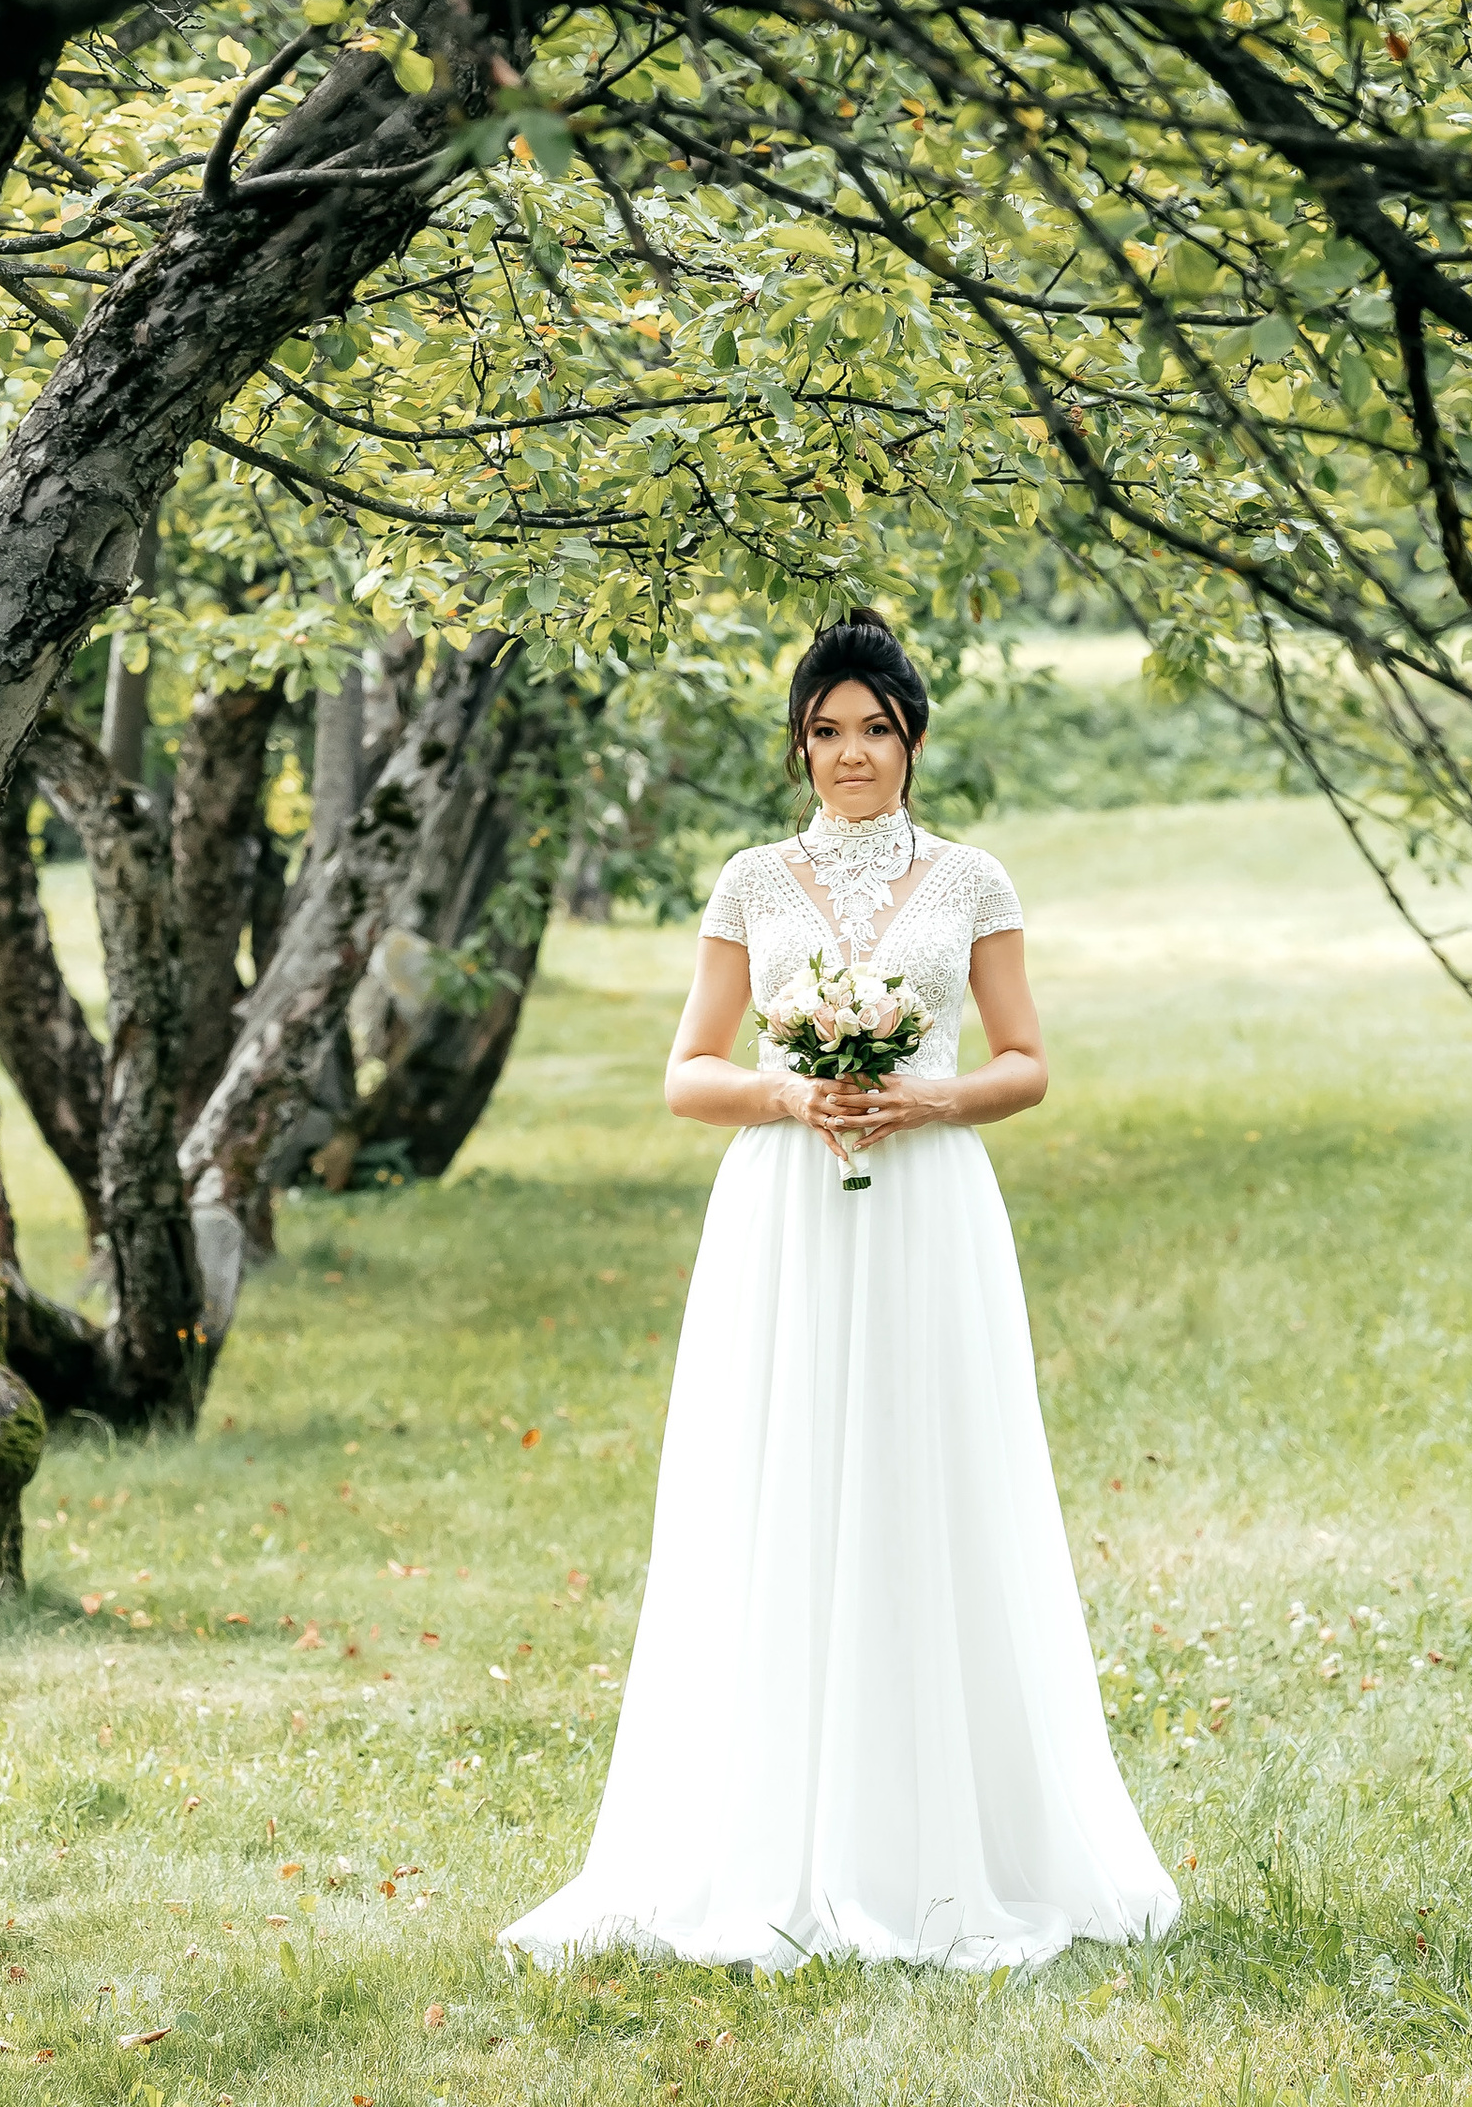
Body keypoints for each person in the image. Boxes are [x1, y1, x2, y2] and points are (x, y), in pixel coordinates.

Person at [502, 607, 1179, 1974]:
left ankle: (947, 1839)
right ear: (798, 744)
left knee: (930, 1480)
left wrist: (927, 1098)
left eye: (876, 728)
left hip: (929, 1207)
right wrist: (790, 1088)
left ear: (915, 740)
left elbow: (1026, 1060)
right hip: (786, 1213)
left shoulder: (973, 880)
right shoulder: (751, 882)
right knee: (784, 1481)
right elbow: (689, 1071)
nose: (852, 753)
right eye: (826, 730)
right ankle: (763, 1834)